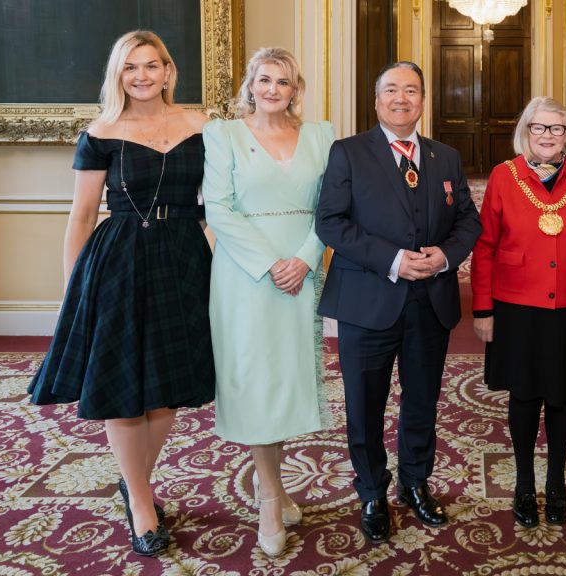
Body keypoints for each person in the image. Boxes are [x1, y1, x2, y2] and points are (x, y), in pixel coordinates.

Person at [27, 30, 213, 557]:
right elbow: (82, 215)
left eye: (152, 65)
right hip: (119, 262)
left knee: (171, 381)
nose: (143, 75)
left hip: (183, 258)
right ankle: (141, 499)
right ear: (118, 74)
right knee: (125, 385)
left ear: (168, 71)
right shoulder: (101, 131)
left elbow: (219, 202)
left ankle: (134, 482)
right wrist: (73, 291)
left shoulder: (200, 126)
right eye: (132, 67)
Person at [316, 61, 481, 544]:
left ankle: (415, 481)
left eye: (411, 91)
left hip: (430, 302)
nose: (401, 99)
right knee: (364, 404)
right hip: (367, 302)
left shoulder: (445, 157)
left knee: (422, 401)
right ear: (376, 100)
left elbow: (467, 222)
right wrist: (392, 260)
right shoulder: (347, 153)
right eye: (391, 90)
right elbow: (331, 222)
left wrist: (445, 257)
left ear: (423, 101)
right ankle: (371, 491)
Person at [202, 47, 334, 558]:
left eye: (283, 81)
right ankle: (269, 500)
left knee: (286, 380)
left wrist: (302, 259)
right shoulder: (224, 134)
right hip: (246, 275)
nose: (273, 89)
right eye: (263, 79)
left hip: (301, 274)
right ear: (249, 86)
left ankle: (273, 486)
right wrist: (269, 263)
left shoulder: (321, 135)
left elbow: (332, 206)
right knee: (256, 380)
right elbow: (219, 207)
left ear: (294, 89)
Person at [471, 97, 566, 528]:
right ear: (526, 130)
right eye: (540, 128)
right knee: (524, 395)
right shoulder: (503, 176)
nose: (549, 136)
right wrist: (483, 308)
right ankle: (522, 483)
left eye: (558, 128)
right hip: (516, 305)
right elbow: (484, 248)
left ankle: (555, 481)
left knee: (562, 395)